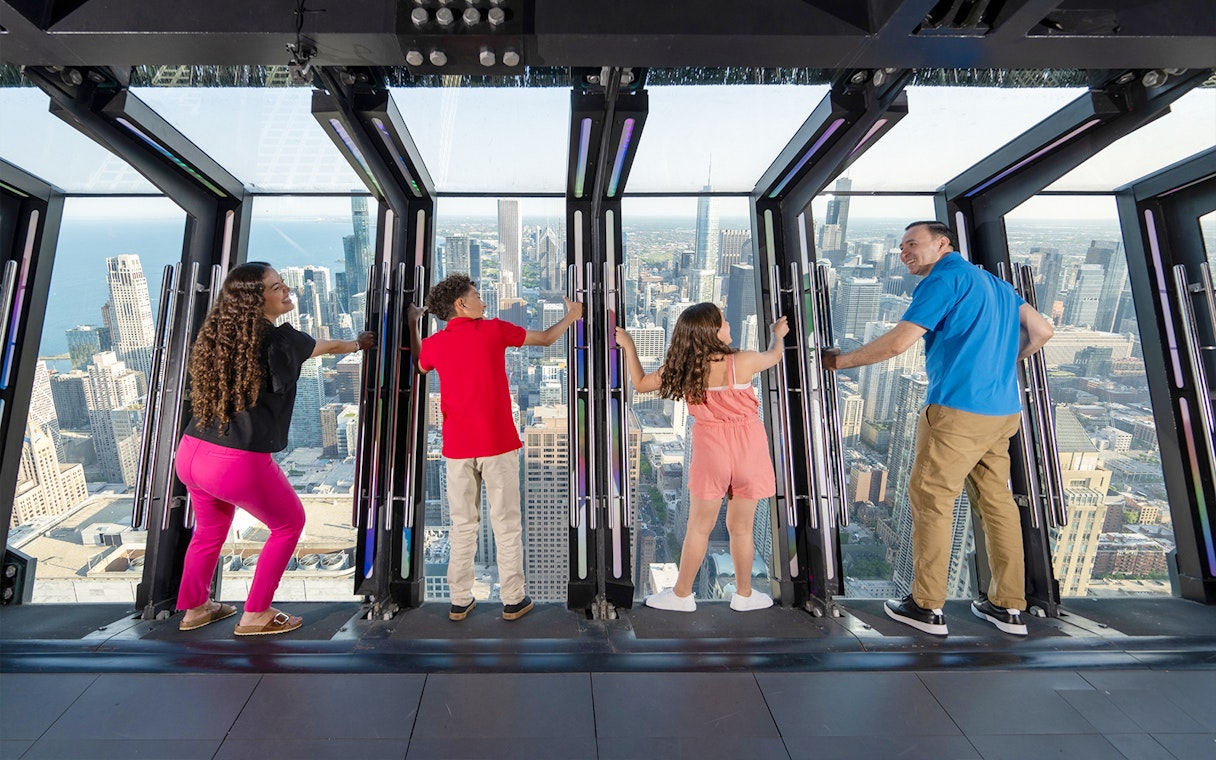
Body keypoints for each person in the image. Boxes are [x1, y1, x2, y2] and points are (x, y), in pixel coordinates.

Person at [823, 221, 1054, 636]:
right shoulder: (996, 284)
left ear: (942, 243)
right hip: (1001, 412)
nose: (904, 252)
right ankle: (1008, 607)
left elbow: (897, 344)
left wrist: (838, 362)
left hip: (956, 411)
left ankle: (926, 607)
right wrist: (1002, 363)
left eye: (913, 243)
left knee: (932, 502)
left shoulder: (943, 280)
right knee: (997, 505)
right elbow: (1043, 331)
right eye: (900, 246)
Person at [175, 262, 375, 636]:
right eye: (277, 287)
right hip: (234, 461)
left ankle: (195, 609)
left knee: (209, 531)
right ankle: (256, 614)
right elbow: (327, 346)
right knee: (288, 524)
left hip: (190, 451)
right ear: (256, 299)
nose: (287, 291)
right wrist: (357, 344)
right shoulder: (281, 340)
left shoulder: (217, 339)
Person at [407, 274, 582, 622]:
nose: (484, 303)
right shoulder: (493, 330)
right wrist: (572, 315)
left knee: (462, 526)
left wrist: (414, 325)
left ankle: (459, 600)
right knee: (505, 524)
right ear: (462, 304)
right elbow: (546, 340)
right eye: (477, 296)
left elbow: (419, 363)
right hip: (498, 444)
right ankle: (513, 600)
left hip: (457, 449)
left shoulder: (435, 343)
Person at [616, 303, 789, 612]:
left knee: (699, 527)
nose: (729, 323)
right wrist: (777, 334)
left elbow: (640, 384)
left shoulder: (685, 368)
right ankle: (745, 594)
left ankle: (682, 595)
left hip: (712, 449)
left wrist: (629, 344)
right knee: (742, 528)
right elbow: (775, 356)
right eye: (724, 321)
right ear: (712, 331)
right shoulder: (743, 361)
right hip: (750, 448)